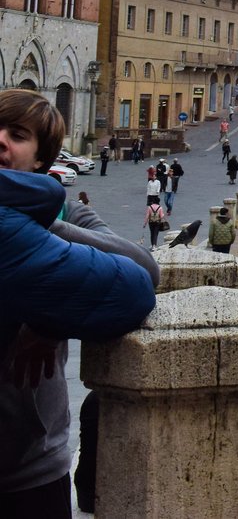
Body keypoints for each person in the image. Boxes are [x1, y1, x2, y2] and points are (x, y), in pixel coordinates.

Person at [0, 88, 159, 518]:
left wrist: (46, 228)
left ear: (40, 162)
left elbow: (144, 266)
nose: (1, 139)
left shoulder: (65, 212)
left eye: (16, 134)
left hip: (31, 463)